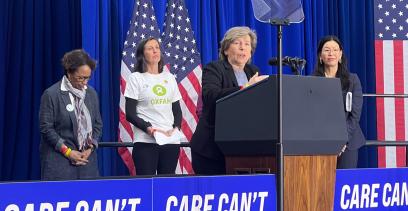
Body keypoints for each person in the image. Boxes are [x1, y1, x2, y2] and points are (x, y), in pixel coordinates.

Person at [190, 26, 268, 175]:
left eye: (247, 44)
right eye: (237, 43)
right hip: (211, 148)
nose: (242, 48)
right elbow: (211, 96)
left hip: (243, 147)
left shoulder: (253, 71)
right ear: (226, 50)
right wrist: (244, 87)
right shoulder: (214, 68)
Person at [39, 49, 102, 180]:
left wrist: (89, 149)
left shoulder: (91, 94)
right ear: (69, 72)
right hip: (59, 164)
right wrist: (68, 152)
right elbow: (46, 129)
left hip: (86, 164)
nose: (85, 82)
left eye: (88, 78)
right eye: (80, 78)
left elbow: (97, 125)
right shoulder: (51, 94)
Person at [124, 37, 182, 175]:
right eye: (150, 48)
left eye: (157, 47)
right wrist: (148, 128)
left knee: (166, 185)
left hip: (170, 141)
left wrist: (175, 129)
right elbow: (130, 114)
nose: (155, 51)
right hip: (146, 141)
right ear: (142, 54)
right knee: (146, 185)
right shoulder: (136, 78)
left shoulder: (169, 78)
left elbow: (177, 111)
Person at [313, 35, 365, 169]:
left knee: (344, 184)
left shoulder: (352, 80)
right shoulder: (312, 81)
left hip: (348, 143)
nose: (331, 53)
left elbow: (354, 116)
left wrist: (342, 140)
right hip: (320, 142)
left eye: (335, 50)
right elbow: (311, 114)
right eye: (327, 50)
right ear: (320, 55)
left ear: (340, 54)